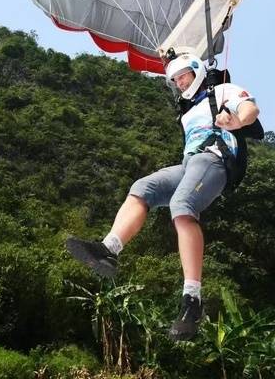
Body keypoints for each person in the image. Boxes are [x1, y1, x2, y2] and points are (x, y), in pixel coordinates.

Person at [66, 51, 260, 341]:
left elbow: (250, 110)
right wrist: (169, 55)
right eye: (175, 79)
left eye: (183, 76)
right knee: (142, 188)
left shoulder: (220, 91)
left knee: (182, 206)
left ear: (197, 72)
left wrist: (235, 122)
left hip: (214, 159)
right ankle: (109, 250)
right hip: (189, 164)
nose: (180, 83)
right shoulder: (186, 108)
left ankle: (192, 300)